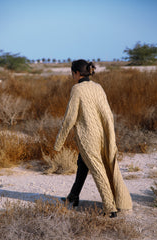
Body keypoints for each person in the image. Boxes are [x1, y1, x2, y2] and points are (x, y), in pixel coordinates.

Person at [54, 59, 132, 218]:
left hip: (88, 137)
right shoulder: (98, 87)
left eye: (72, 73)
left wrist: (58, 143)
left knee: (97, 170)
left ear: (76, 73)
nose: (72, 76)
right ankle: (73, 197)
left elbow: (70, 118)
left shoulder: (77, 89)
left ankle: (110, 208)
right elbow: (107, 113)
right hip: (104, 134)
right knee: (82, 164)